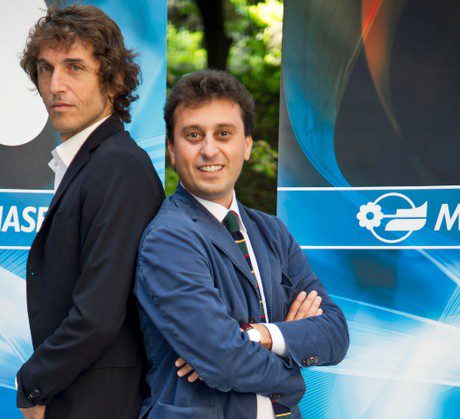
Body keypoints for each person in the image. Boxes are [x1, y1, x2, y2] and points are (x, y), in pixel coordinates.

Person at [135, 70, 349, 418]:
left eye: (224, 133)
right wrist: (291, 374)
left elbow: (335, 333)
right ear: (172, 150)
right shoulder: (168, 238)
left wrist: (259, 335)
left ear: (246, 145)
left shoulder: (272, 231)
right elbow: (223, 360)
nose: (209, 150)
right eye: (193, 135)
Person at [16, 6, 164, 419]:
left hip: (101, 401)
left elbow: (98, 313)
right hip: (80, 393)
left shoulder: (118, 165)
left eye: (74, 67)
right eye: (45, 69)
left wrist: (33, 383)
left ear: (113, 80)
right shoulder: (93, 162)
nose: (55, 85)